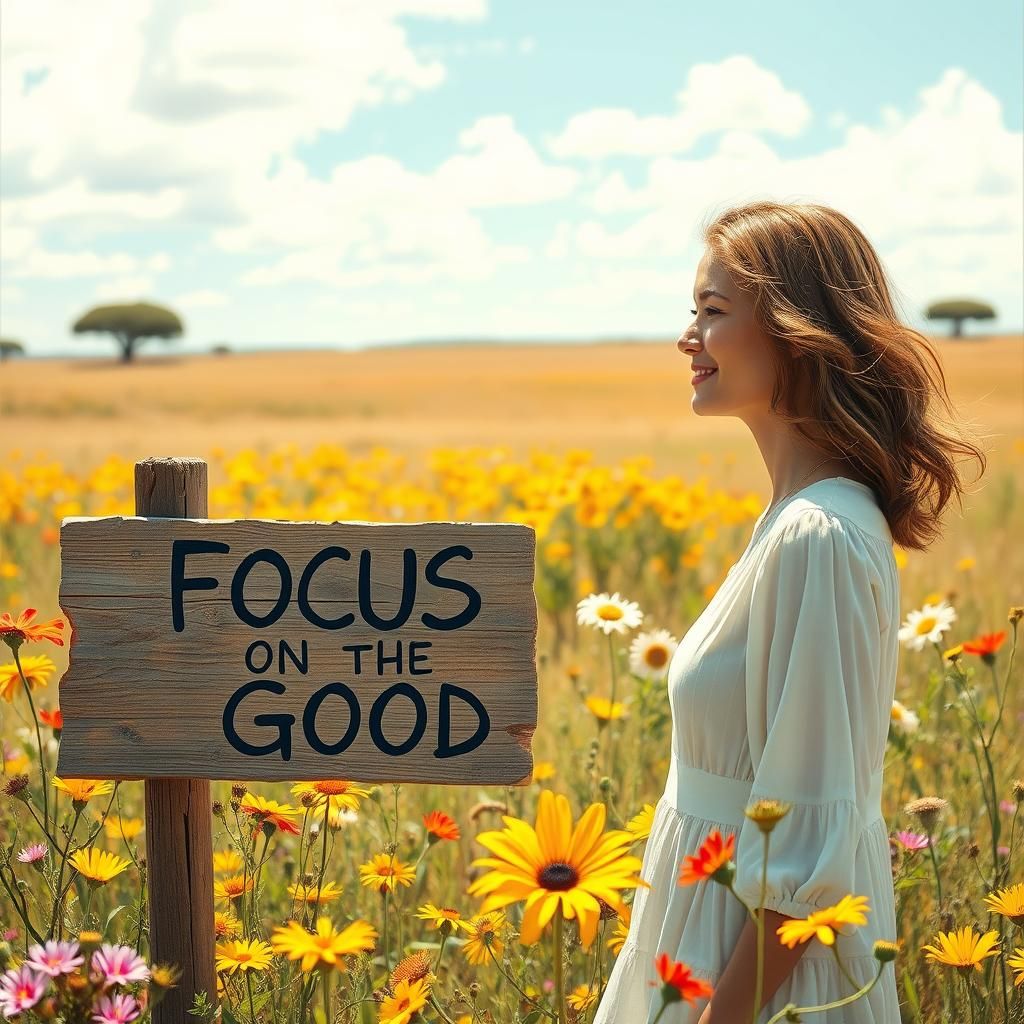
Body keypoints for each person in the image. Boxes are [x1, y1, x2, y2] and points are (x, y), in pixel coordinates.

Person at [591, 200, 986, 1023]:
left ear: (794, 331)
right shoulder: (795, 522)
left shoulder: (819, 536)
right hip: (710, 941)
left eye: (712, 311)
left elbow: (810, 837)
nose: (686, 336)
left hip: (758, 984)